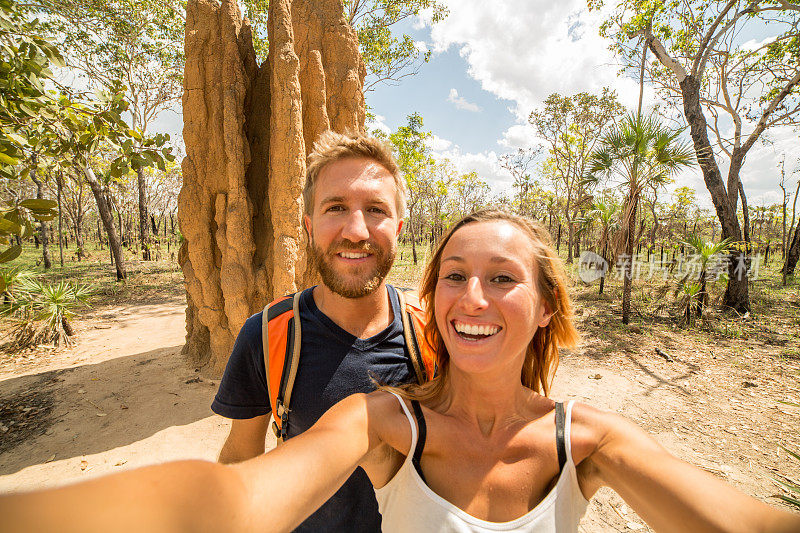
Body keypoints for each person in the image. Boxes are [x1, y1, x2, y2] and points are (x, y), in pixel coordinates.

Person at [2, 210, 798, 533]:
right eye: (453, 274)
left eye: (502, 277)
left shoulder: (590, 439)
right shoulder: (385, 419)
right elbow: (233, 494)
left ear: (548, 306)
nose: (473, 296)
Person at [210, 130, 432, 532]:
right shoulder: (267, 335)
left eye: (376, 210)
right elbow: (241, 455)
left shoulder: (432, 334)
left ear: (398, 227)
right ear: (310, 226)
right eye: (336, 208)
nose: (356, 231)